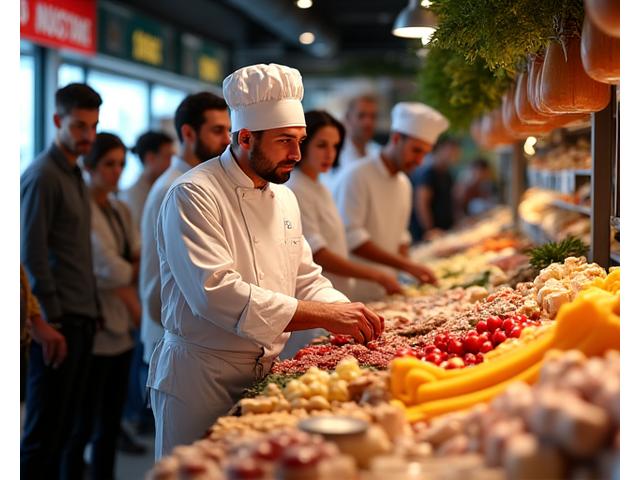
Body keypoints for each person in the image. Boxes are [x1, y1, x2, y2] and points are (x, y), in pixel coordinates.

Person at [147, 63, 384, 458]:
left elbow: (305, 276)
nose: (297, 153)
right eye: (284, 141)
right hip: (201, 377)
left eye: (300, 140)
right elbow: (216, 294)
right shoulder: (193, 194)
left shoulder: (284, 195)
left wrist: (347, 312)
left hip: (265, 371)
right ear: (244, 138)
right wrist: (324, 316)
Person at [20, 83, 102, 479]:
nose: (88, 136)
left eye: (93, 127)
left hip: (81, 317)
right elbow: (31, 254)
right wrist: (48, 320)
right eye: (79, 125)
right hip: (58, 322)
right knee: (44, 434)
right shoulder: (42, 175)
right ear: (57, 121)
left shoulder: (73, 174)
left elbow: (74, 255)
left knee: (69, 428)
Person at [282, 110, 402, 359]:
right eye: (321, 145)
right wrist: (376, 274)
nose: (330, 154)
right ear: (302, 145)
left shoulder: (318, 185)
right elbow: (320, 253)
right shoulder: (294, 189)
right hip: (314, 305)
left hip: (333, 299)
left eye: (335, 146)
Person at [66, 132, 141, 480]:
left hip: (121, 325)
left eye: (121, 164)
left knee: (109, 424)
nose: (117, 172)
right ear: (91, 165)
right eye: (109, 164)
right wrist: (127, 271)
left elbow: (138, 256)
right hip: (91, 326)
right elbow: (110, 268)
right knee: (80, 425)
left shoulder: (120, 208)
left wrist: (126, 271)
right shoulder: (79, 208)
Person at [140, 92, 231, 369]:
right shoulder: (176, 187)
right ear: (188, 133)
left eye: (229, 130)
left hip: (187, 331)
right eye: (217, 131)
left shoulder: (202, 182)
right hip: (171, 331)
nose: (227, 140)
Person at [333, 102, 449, 302]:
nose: (420, 161)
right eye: (416, 151)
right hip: (355, 293)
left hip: (388, 291)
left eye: (425, 153)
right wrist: (407, 266)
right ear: (396, 138)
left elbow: (401, 237)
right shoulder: (356, 176)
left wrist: (410, 270)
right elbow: (352, 238)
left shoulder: (404, 183)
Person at [320, 94, 381, 189]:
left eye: (373, 117)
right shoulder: (334, 154)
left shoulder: (378, 153)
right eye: (361, 116)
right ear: (348, 118)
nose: (368, 122)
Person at [409, 136, 462, 242]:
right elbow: (421, 204)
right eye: (451, 150)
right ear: (440, 149)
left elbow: (452, 201)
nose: (454, 154)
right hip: (427, 235)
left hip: (444, 231)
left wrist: (458, 221)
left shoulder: (447, 174)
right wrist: (430, 229)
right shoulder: (428, 172)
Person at [119, 130, 174, 228]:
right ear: (150, 158)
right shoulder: (132, 195)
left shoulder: (165, 186)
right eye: (168, 157)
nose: (172, 163)